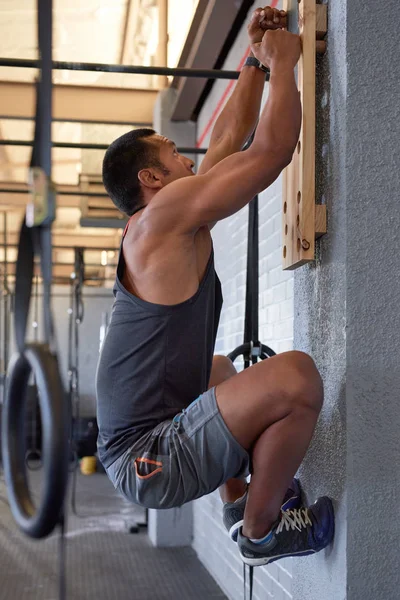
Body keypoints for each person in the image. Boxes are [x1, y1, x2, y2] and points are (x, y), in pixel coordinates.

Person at [96, 6, 334, 566]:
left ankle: (236, 505)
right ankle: (261, 533)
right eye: (173, 153)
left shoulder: (162, 223)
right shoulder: (160, 221)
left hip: (143, 446)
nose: (189, 158)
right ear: (151, 179)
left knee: (221, 370)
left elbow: (228, 138)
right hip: (149, 457)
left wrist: (253, 58)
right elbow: (270, 153)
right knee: (297, 377)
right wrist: (283, 64)